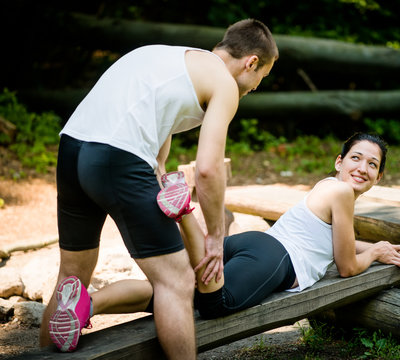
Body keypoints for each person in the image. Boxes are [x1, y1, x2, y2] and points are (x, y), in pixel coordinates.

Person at [39, 18, 278, 359]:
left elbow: (157, 126)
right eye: (260, 78)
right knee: (177, 281)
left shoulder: (170, 58)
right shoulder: (223, 83)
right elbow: (208, 169)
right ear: (252, 62)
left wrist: (160, 172)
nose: (255, 87)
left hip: (73, 147)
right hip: (116, 158)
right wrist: (215, 235)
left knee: (70, 280)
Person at [70, 132, 400, 326]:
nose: (363, 167)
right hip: (274, 258)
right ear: (339, 162)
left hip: (255, 247)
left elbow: (341, 243)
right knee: (216, 304)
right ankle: (184, 214)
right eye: (356, 157)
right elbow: (347, 266)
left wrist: (395, 249)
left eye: (373, 164)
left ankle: (88, 304)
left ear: (379, 176)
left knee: (174, 290)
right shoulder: (342, 193)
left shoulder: (329, 187)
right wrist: (374, 253)